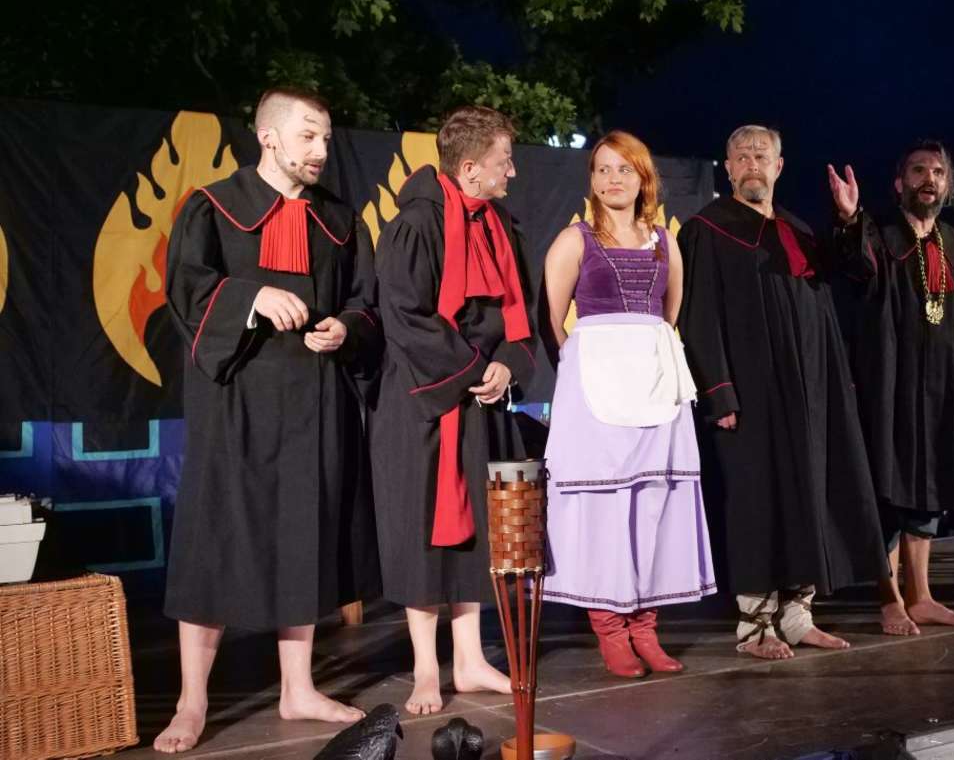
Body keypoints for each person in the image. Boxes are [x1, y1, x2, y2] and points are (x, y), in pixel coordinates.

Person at [157, 87, 381, 752]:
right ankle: (192, 701)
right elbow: (185, 288)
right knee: (215, 537)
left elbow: (366, 301)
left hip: (314, 401)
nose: (320, 149)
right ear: (269, 137)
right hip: (237, 402)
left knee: (303, 535)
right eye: (308, 135)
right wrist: (251, 297)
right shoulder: (213, 206)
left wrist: (345, 327)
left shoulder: (339, 220)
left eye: (326, 138)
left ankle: (298, 687)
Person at [678, 125, 886, 660]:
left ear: (779, 166)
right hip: (750, 392)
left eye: (762, 155)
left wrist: (849, 219)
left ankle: (797, 615)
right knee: (757, 500)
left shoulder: (798, 228)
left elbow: (859, 273)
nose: (752, 163)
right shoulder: (706, 229)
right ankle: (754, 626)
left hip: (812, 390)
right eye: (742, 155)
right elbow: (697, 318)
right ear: (728, 167)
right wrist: (719, 392)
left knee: (808, 496)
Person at [370, 105, 538, 715]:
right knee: (423, 533)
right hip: (423, 400)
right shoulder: (416, 224)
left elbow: (521, 312)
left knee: (477, 534)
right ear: (469, 170)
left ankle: (468, 659)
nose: (511, 172)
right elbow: (404, 315)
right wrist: (469, 371)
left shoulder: (501, 226)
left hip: (480, 399)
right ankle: (424, 668)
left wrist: (508, 365)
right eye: (503, 162)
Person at [540, 130, 715, 678]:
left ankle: (646, 628)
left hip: (655, 382)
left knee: (654, 502)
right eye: (602, 169)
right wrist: (589, 366)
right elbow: (551, 322)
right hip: (597, 386)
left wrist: (643, 357)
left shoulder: (664, 240)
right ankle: (611, 628)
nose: (612, 179)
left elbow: (670, 314)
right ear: (591, 180)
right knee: (606, 507)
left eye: (624, 169)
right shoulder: (574, 240)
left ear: (644, 179)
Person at [830, 140, 954, 636]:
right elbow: (855, 270)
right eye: (918, 170)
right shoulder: (879, 235)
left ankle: (922, 597)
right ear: (900, 183)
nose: (929, 179)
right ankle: (890, 599)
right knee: (889, 490)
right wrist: (849, 218)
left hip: (945, 388)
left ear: (948, 184)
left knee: (928, 491)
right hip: (889, 385)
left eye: (938, 172)